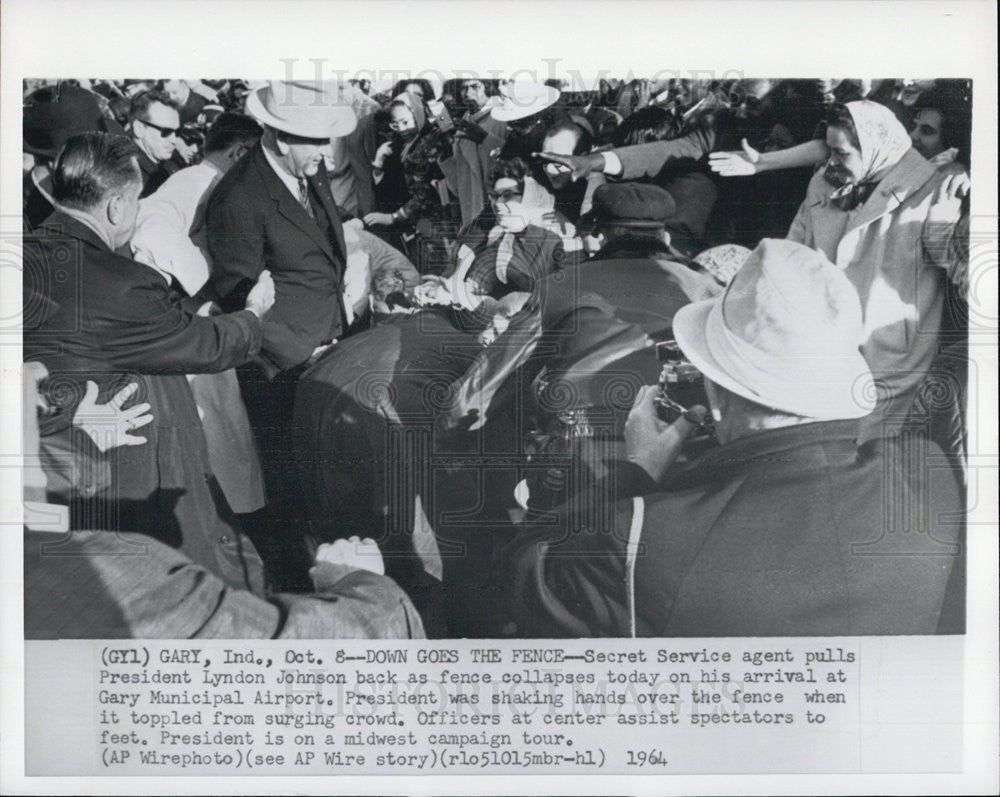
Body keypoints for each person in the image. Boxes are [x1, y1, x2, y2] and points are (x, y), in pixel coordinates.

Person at [499, 239, 963, 637]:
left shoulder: (641, 542)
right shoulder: (933, 477)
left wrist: (633, 475)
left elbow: (523, 574)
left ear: (717, 396)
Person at [23, 132, 275, 591]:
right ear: (117, 206)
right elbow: (205, 346)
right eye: (136, 201)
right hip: (121, 482)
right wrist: (254, 314)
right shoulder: (121, 283)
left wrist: (58, 412)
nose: (136, 213)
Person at [21, 364, 424, 640]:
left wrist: (81, 443)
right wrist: (361, 582)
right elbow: (285, 651)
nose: (37, 373)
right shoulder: (96, 573)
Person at [205, 80, 357, 588]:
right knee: (292, 495)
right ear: (279, 137)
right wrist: (304, 352)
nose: (325, 153)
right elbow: (239, 298)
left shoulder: (304, 170)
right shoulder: (239, 198)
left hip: (330, 349)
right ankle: (299, 594)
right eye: (315, 142)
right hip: (283, 373)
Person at [785, 101, 968, 441]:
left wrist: (951, 199)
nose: (831, 162)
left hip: (887, 354)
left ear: (872, 150)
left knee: (867, 455)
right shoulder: (822, 184)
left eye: (841, 154)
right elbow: (793, 248)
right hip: (824, 342)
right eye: (830, 151)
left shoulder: (933, 189)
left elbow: (954, 263)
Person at [130, 112, 267, 516]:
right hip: (186, 320)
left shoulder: (203, 181)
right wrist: (207, 292)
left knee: (224, 426)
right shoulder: (196, 182)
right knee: (221, 425)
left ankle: (239, 513)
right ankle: (243, 519)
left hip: (191, 319)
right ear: (241, 152)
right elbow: (149, 229)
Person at [363, 91, 453, 273]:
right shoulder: (401, 145)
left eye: (405, 122)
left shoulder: (427, 144)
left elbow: (424, 193)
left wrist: (393, 217)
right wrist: (379, 162)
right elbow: (387, 188)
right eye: (395, 124)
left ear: (418, 115)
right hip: (412, 224)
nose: (402, 129)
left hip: (432, 223)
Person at [438, 78, 508, 226]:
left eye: (475, 86)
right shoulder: (465, 121)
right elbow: (460, 185)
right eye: (464, 88)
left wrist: (484, 138)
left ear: (488, 87)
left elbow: (510, 162)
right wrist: (446, 155)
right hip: (473, 210)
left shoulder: (503, 115)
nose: (468, 93)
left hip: (500, 208)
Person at [127, 89, 182, 197]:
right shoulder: (129, 179)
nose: (174, 140)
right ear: (139, 129)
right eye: (166, 131)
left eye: (177, 131)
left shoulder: (170, 161)